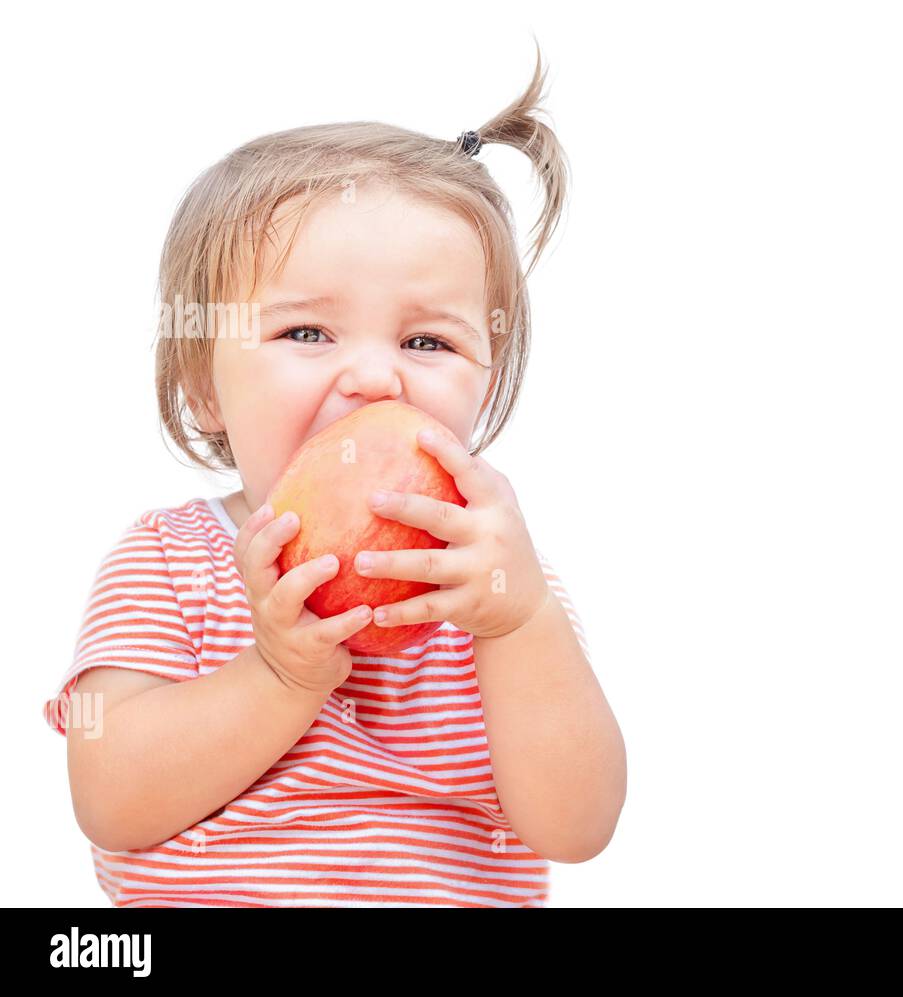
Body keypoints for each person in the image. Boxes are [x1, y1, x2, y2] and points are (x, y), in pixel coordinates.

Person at [42, 43, 626, 908]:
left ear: (487, 382)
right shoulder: (169, 559)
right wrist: (278, 678)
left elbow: (577, 827)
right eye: (307, 334)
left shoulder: (500, 586)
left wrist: (520, 622)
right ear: (203, 384)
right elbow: (109, 796)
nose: (375, 379)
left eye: (427, 342)